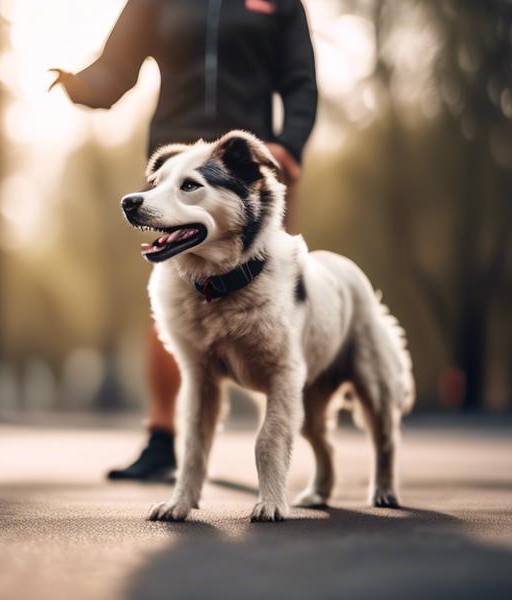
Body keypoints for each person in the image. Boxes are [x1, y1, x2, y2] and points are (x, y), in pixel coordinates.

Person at [54, 0, 317, 480]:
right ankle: (162, 439)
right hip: (175, 172)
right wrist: (78, 84)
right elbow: (115, 68)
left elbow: (300, 81)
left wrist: (292, 144)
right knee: (176, 293)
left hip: (246, 174)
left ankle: (278, 440)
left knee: (266, 301)